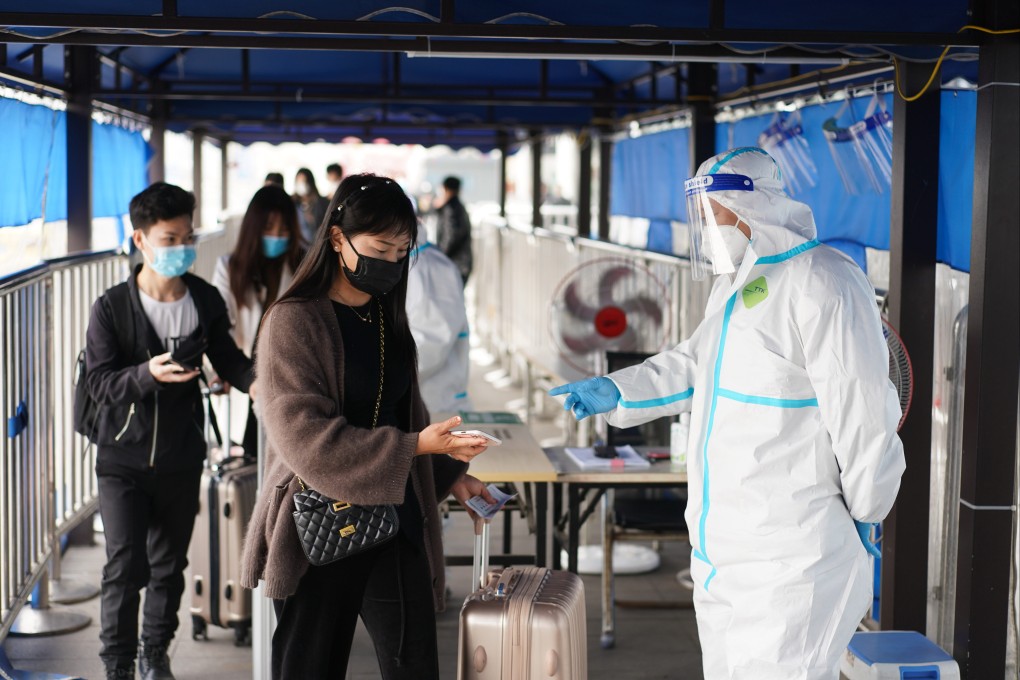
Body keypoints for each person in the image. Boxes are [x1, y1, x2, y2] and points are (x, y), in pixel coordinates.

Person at [550, 147, 906, 680]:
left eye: (713, 214)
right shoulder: (736, 286)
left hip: (794, 553)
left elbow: (863, 412)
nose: (707, 229)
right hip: (722, 551)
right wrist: (617, 390)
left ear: (753, 207)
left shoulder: (822, 280)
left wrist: (867, 509)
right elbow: (696, 364)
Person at [240, 173, 494, 679]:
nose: (392, 263)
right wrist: (416, 446)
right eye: (381, 247)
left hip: (392, 519)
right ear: (337, 237)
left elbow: (403, 416)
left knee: (415, 663)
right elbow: (305, 441)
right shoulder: (292, 322)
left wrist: (450, 475)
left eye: (403, 252)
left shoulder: (386, 319)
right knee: (309, 667)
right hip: (317, 525)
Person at [85, 182, 256, 680]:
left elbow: (227, 359)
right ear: (140, 240)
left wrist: (262, 387)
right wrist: (147, 375)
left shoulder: (203, 298)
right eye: (169, 238)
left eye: (188, 236)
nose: (182, 248)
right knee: (124, 567)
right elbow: (99, 383)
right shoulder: (112, 307)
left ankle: (154, 653)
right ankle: (117, 666)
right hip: (122, 458)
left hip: (182, 455)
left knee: (169, 566)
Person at [212, 184, 305, 456]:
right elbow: (221, 324)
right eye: (269, 228)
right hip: (247, 374)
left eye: (284, 229)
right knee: (252, 453)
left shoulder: (305, 262)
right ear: (253, 227)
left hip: (290, 378)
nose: (277, 236)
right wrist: (226, 368)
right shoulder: (230, 268)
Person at [406, 229, 472, 413]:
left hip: (434, 403)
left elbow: (432, 340)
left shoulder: (427, 268)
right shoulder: (411, 261)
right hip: (420, 402)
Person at [434, 175, 472, 285]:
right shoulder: (458, 206)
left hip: (455, 265)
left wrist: (440, 257)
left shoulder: (451, 209)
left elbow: (451, 238)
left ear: (445, 189)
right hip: (461, 265)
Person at [292, 167, 329, 245]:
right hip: (297, 249)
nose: (301, 185)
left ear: (310, 183)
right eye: (299, 182)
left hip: (317, 246)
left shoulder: (322, 203)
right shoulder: (293, 203)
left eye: (304, 181)